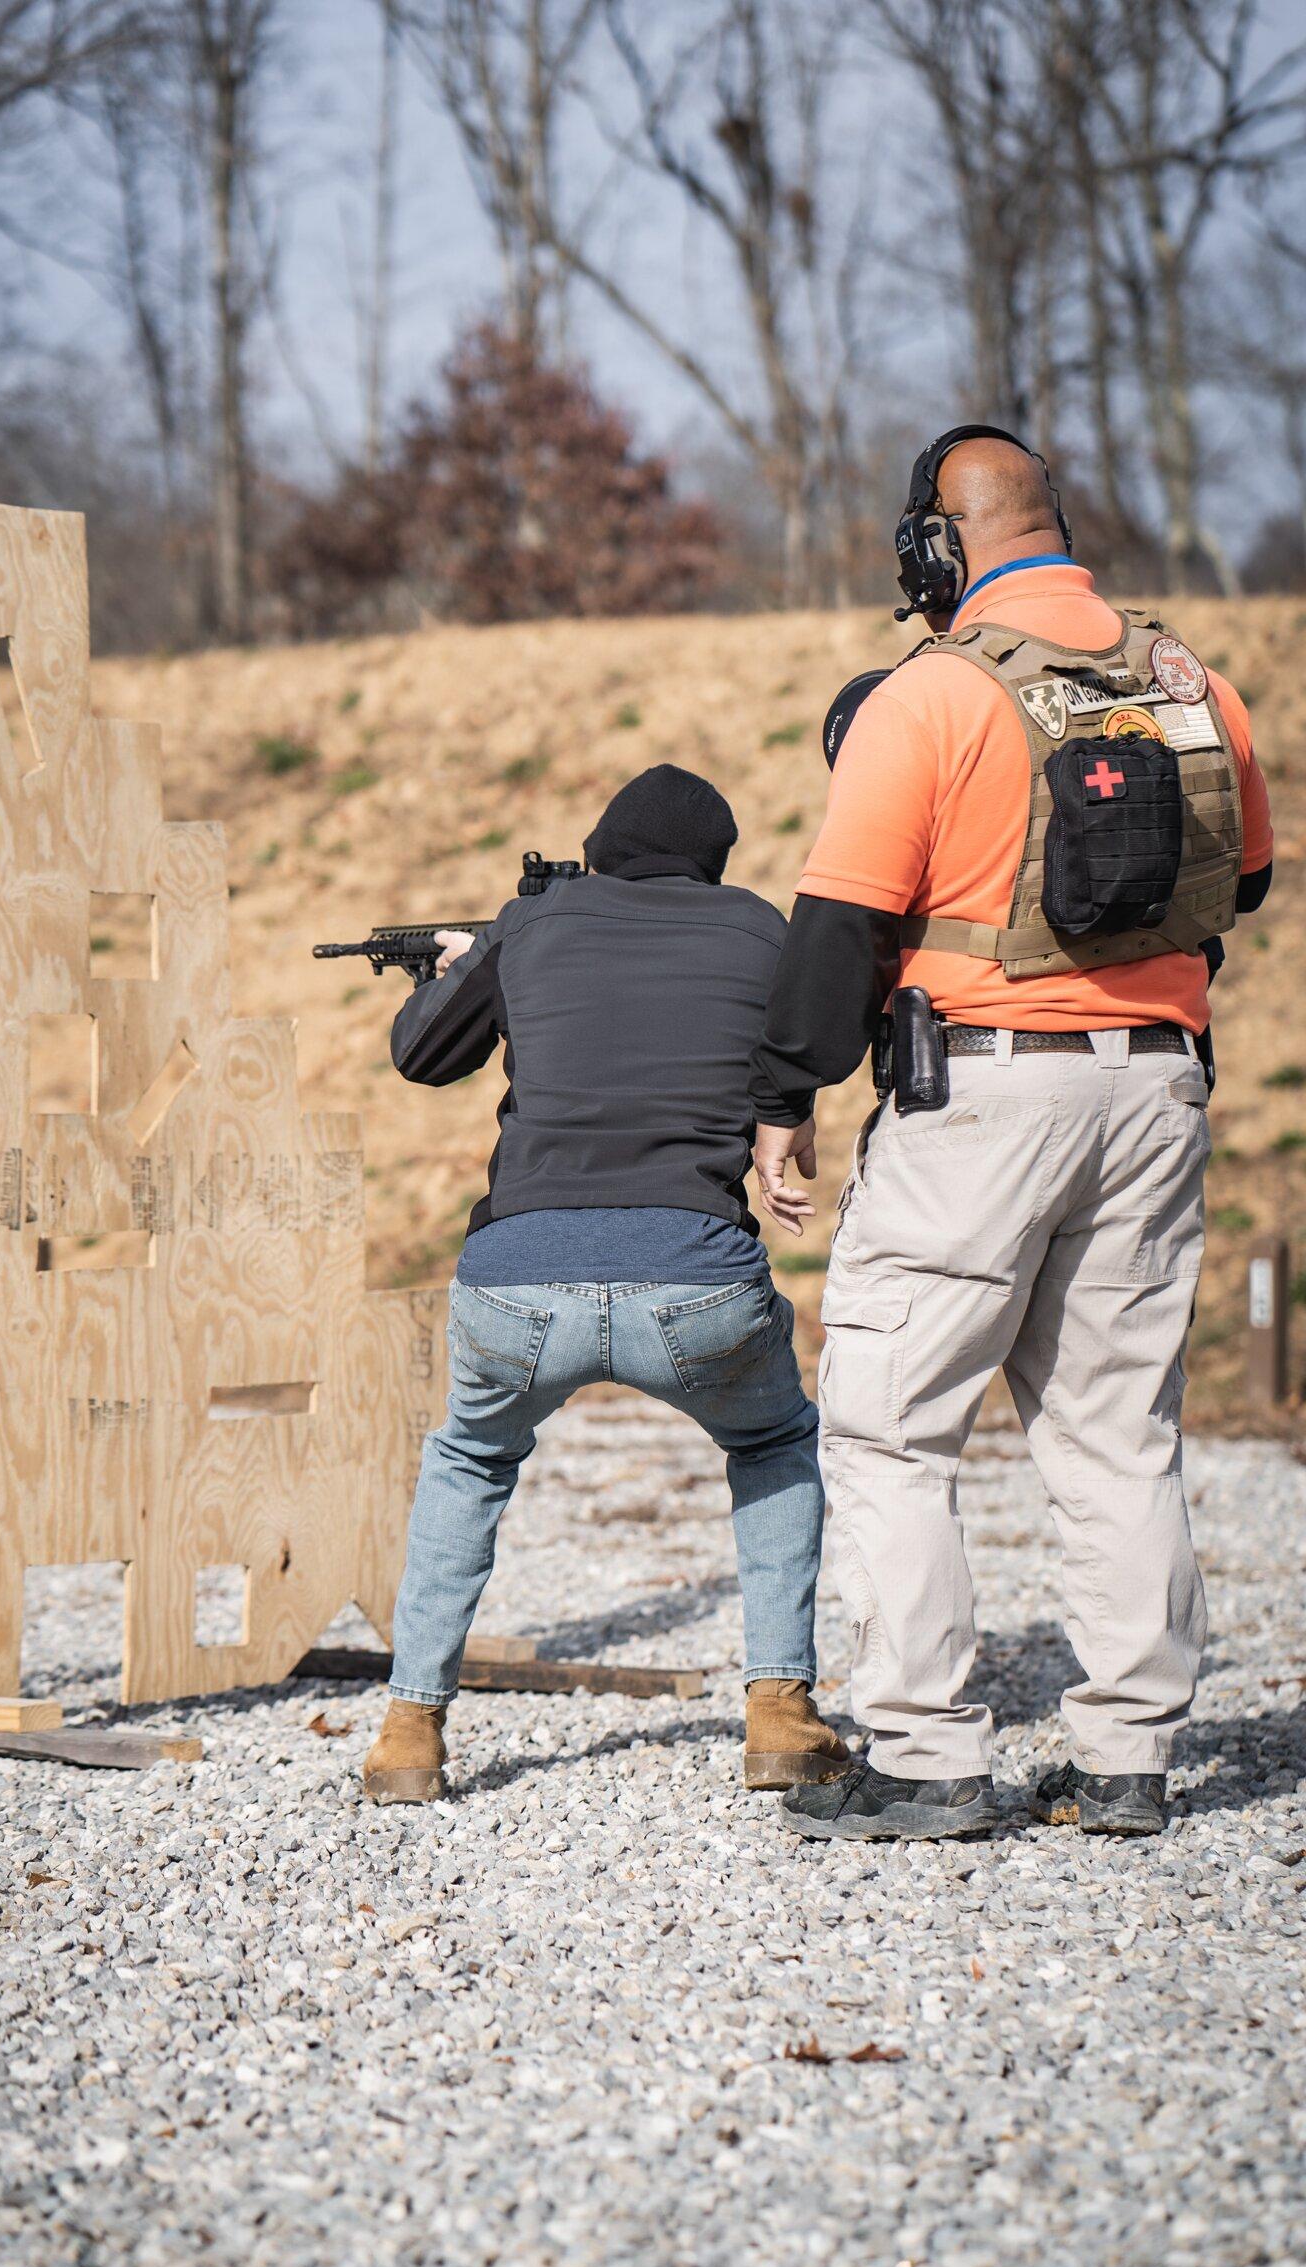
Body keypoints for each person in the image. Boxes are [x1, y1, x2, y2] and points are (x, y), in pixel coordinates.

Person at [750, 425, 1273, 1844]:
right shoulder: (1192, 682)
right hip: (1157, 1088)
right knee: (1116, 1430)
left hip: (982, 1093)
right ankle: (1127, 1759)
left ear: (939, 548)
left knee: (892, 1428)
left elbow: (843, 923)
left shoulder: (930, 697)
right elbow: (1253, 878)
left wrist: (785, 1100)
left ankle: (926, 1753)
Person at [360, 764, 850, 1803]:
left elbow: (421, 1058)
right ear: (713, 862)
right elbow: (797, 1051)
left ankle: (409, 1729)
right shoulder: (759, 929)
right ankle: (777, 1713)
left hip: (517, 1282)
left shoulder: (530, 926)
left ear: (600, 847)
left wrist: (459, 968)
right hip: (696, 1283)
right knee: (769, 1440)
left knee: (469, 1460)